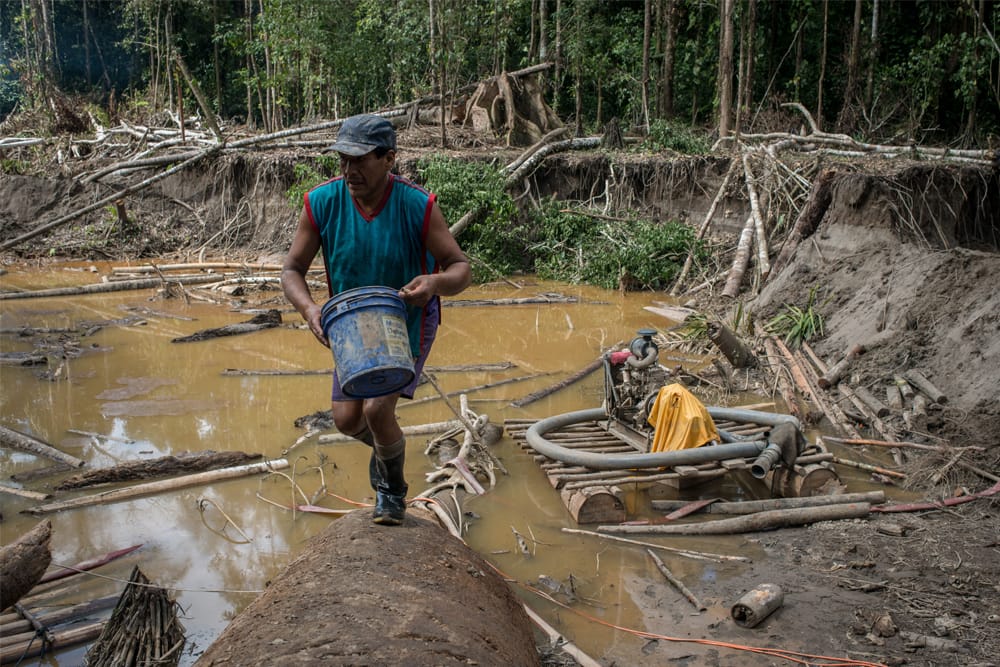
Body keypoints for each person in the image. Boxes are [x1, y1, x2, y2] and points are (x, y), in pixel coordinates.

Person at [281, 114, 471, 525]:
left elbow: (460, 267)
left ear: (388, 159)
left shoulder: (417, 205)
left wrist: (434, 283)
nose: (349, 171)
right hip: (350, 322)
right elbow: (291, 269)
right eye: (343, 160)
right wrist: (310, 310)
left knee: (376, 411)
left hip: (406, 320)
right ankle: (387, 453)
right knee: (346, 419)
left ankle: (392, 489)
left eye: (360, 160)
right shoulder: (322, 203)